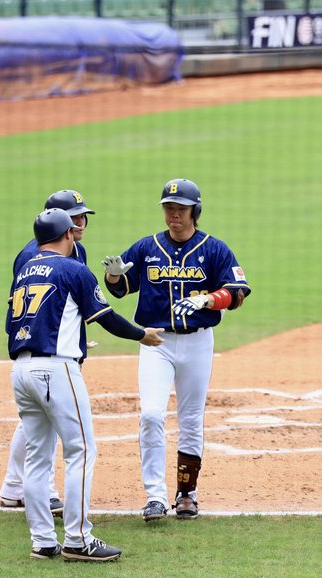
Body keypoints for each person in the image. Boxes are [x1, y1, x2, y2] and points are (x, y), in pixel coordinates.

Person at [8, 208, 164, 561]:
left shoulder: (25, 271)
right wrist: (142, 335)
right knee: (80, 450)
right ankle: (79, 540)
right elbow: (106, 317)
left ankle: (42, 541)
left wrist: (72, 336)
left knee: (37, 457)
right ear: (66, 234)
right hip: (56, 370)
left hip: (21, 370)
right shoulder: (73, 269)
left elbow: (18, 324)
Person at [102, 178, 251, 522]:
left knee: (191, 418)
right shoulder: (147, 247)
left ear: (195, 211)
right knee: (151, 415)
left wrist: (208, 299)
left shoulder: (214, 249)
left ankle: (187, 494)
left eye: (181, 209)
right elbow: (122, 289)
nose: (174, 215)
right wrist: (113, 278)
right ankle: (155, 496)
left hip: (198, 342)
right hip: (157, 343)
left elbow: (238, 292)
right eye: (169, 208)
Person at [0, 189, 96, 515]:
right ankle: (44, 492)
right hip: (39, 348)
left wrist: (74, 338)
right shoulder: (31, 255)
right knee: (45, 424)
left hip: (57, 345)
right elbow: (23, 305)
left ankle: (13, 486)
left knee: (37, 422)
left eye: (82, 216)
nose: (80, 223)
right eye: (73, 217)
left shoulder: (76, 250)